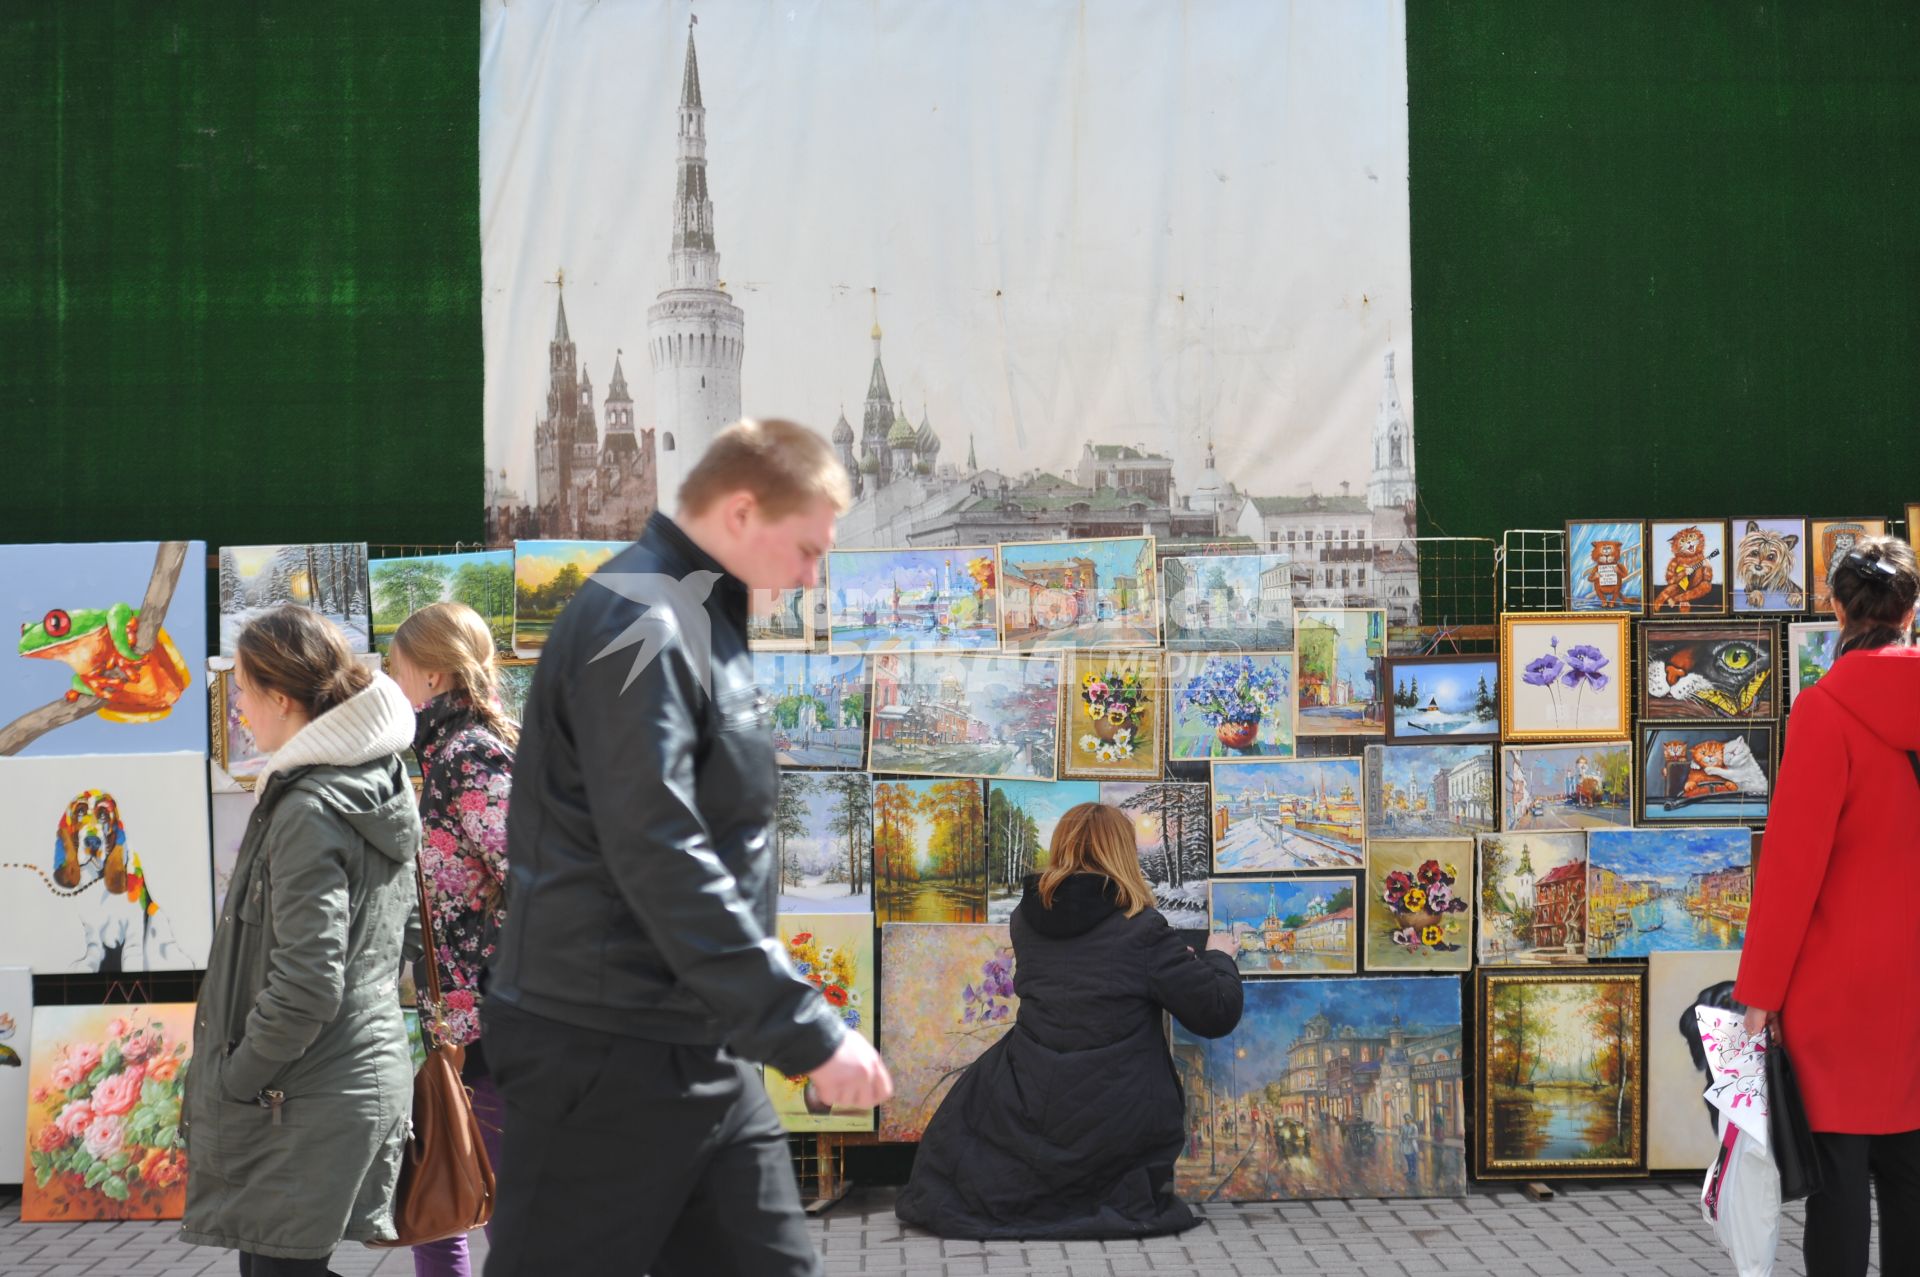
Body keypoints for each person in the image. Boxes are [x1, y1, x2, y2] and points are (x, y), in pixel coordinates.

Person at [483, 419, 893, 1276]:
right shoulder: (643, 621)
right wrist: (805, 1028)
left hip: (693, 1042)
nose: (815, 574)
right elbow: (658, 844)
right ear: (742, 512)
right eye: (809, 548)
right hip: (602, 1048)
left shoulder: (699, 618)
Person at [180, 608, 420, 1276]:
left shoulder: (310, 808)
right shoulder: (373, 780)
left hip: (302, 1091)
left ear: (280, 698)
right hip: (332, 1077)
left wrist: (238, 1074)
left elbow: (309, 980)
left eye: (243, 692)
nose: (239, 710)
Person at [895, 802, 1244, 1241]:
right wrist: (1218, 957)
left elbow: (1082, 978)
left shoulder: (1025, 919)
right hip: (1116, 1109)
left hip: (1031, 1096)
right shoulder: (1142, 928)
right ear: (1122, 852)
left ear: (1061, 846)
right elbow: (1215, 1012)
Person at [1737, 535, 1920, 1277]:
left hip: (1839, 997)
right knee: (1913, 1183)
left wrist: (1759, 996)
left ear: (1837, 609)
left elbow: (1791, 869)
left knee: (1838, 1189)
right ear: (1911, 610)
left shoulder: (1823, 711)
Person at [387, 602, 517, 1277]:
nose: (390, 679)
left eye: (397, 666)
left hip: (486, 1023)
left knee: (479, 1194)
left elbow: (533, 870)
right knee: (438, 1197)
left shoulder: (467, 752)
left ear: (432, 673)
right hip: (458, 1018)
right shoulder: (447, 750)